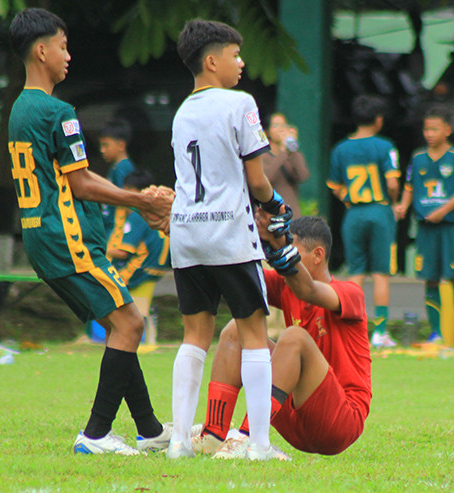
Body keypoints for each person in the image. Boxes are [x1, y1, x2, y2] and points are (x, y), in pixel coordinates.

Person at [7, 8, 174, 456]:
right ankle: (95, 435)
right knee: (131, 322)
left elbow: (71, 177)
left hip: (42, 237)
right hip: (67, 238)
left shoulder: (21, 109)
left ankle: (150, 429)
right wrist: (143, 200)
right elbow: (80, 183)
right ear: (41, 51)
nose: (68, 55)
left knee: (122, 325)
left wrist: (139, 200)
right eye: (62, 46)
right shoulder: (57, 110)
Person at [166, 18, 293, 461]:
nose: (242, 63)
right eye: (236, 55)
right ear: (212, 60)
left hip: (186, 232)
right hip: (228, 233)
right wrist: (276, 205)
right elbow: (257, 180)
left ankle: (180, 442)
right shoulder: (240, 103)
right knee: (254, 332)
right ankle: (259, 445)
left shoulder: (183, 110)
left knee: (194, 335)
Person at [186, 214, 371, 459]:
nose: (280, 260)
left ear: (317, 255)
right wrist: (195, 228)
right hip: (292, 417)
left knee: (294, 337)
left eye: (291, 252)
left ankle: (249, 438)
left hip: (340, 421)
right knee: (235, 330)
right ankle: (214, 433)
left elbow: (308, 290)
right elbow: (236, 277)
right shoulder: (286, 286)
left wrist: (279, 245)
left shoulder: (350, 294)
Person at [394, 106, 454, 349]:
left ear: (447, 130)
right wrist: (403, 206)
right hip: (426, 226)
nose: (429, 133)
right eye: (426, 129)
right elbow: (410, 186)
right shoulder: (418, 158)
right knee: (430, 278)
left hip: (451, 225)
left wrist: (443, 210)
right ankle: (435, 333)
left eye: (434, 129)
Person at [327, 94, 400, 348]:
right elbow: (392, 183)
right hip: (379, 211)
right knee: (380, 273)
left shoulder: (340, 149)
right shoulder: (385, 146)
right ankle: (380, 332)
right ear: (379, 120)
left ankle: (346, 326)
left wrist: (349, 198)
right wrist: (393, 201)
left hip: (354, 213)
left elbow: (335, 186)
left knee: (355, 272)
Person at [107, 169, 171, 343]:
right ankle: (146, 322)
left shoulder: (138, 214)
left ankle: (115, 334)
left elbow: (123, 251)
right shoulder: (158, 210)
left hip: (141, 268)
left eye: (128, 191)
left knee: (105, 283)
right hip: (157, 268)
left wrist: (99, 251)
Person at [263, 112, 309, 217]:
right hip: (270, 215)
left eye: (284, 126)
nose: (281, 129)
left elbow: (303, 176)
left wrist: (292, 149)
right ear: (268, 131)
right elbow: (267, 177)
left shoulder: (292, 154)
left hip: (291, 214)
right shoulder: (263, 155)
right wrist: (283, 152)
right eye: (276, 126)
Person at [98, 117, 136, 236]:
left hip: (116, 230)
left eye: (106, 145)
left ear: (121, 145)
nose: (102, 150)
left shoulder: (123, 168)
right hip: (109, 226)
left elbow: (124, 201)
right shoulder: (115, 167)